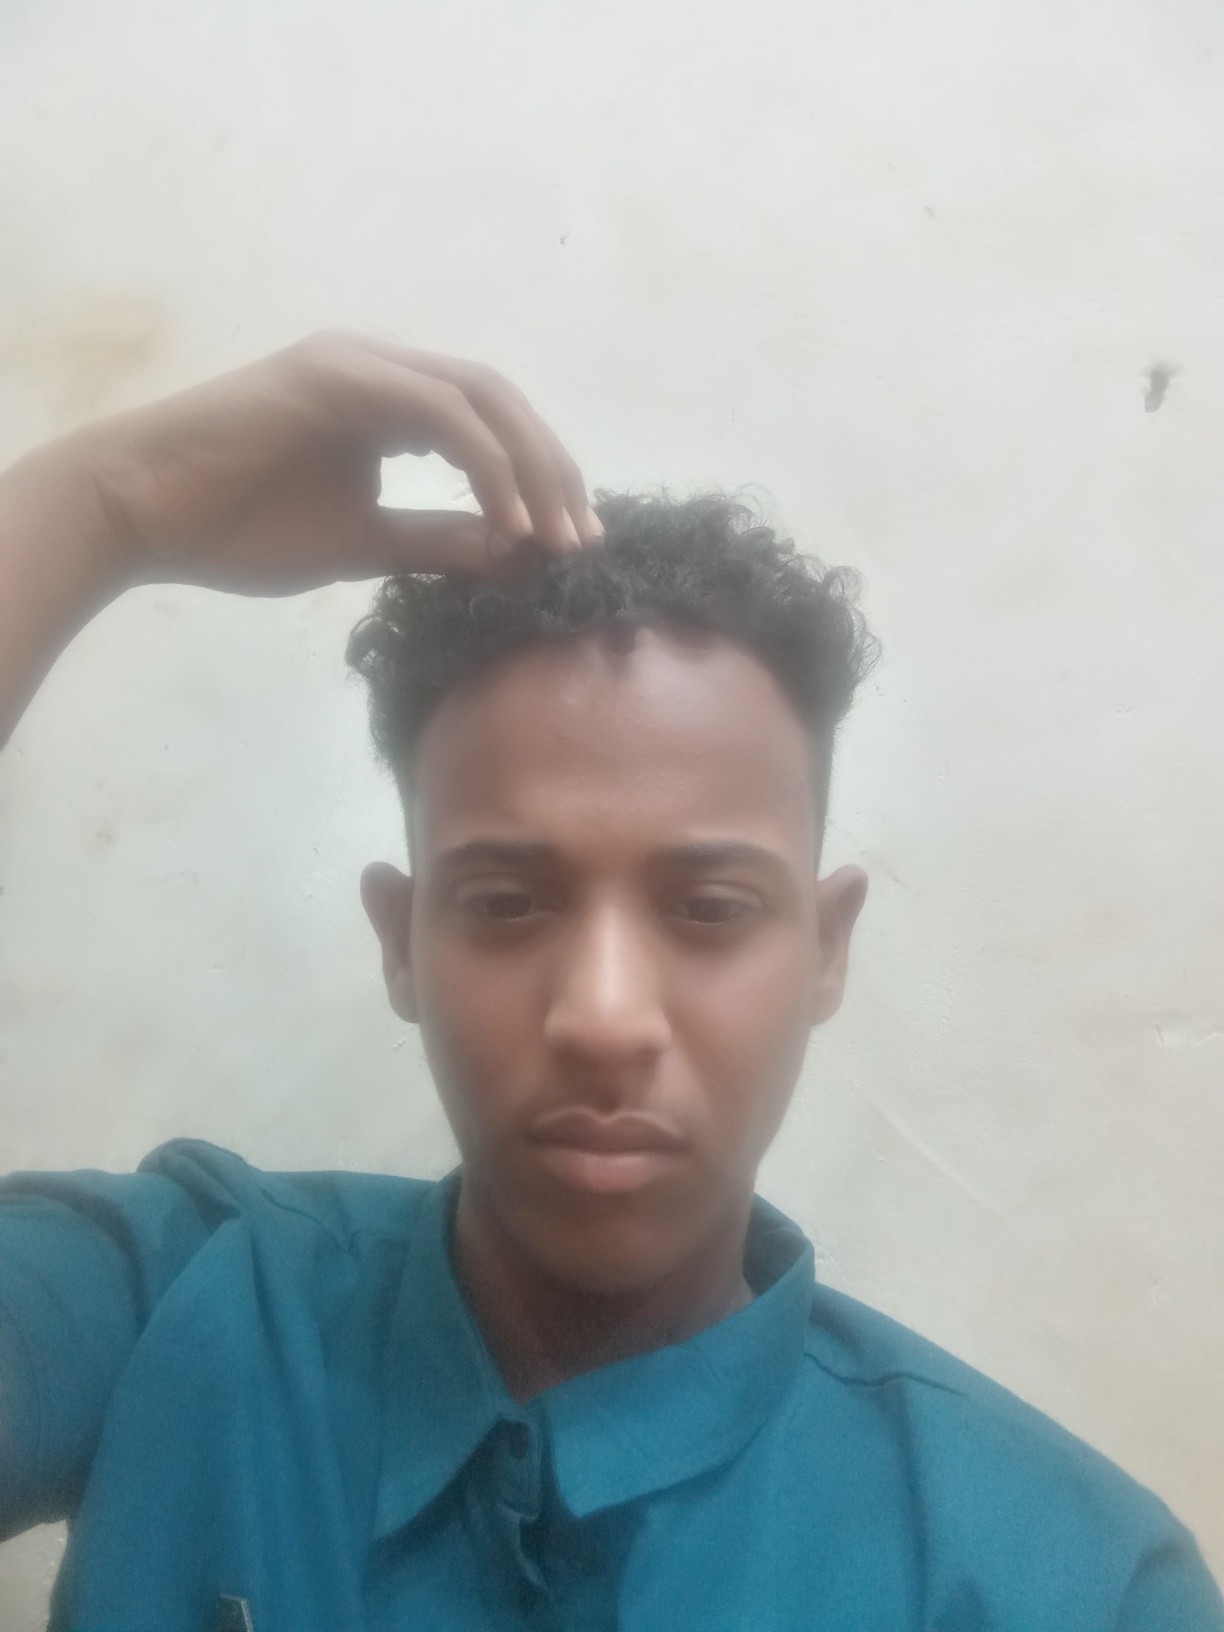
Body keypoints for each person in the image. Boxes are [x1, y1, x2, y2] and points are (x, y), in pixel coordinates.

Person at [0, 334, 1219, 1632]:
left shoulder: (1070, 1584)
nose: (603, 1018)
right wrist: (104, 504)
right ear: (401, 941)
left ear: (826, 948)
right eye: (506, 904)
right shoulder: (175, 1300)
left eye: (709, 911)